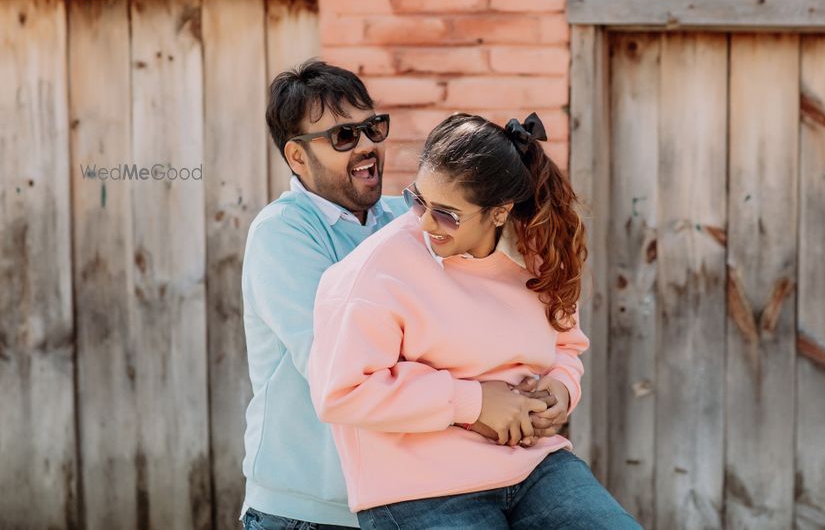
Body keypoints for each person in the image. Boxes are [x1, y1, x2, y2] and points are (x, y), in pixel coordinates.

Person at [307, 112, 641, 529]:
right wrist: (474, 402)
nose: (425, 223)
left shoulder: (538, 255)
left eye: (447, 213)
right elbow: (342, 392)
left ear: (499, 213)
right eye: (418, 200)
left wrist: (561, 386)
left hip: (533, 466)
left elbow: (566, 345)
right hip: (419, 486)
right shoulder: (374, 273)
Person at [239, 61, 409, 529]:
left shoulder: (405, 219)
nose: (368, 146)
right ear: (297, 158)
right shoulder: (283, 233)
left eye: (372, 127)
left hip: (398, 502)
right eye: (343, 137)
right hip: (305, 514)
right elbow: (339, 366)